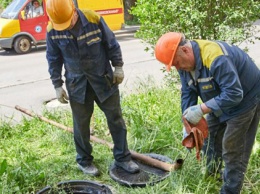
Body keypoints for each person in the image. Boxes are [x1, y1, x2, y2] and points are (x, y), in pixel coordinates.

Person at [155, 32, 260, 194]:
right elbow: (187, 92)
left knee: (233, 148)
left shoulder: (215, 57)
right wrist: (187, 122)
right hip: (222, 96)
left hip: (245, 98)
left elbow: (234, 93)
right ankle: (212, 178)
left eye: (176, 63)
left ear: (185, 50)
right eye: (174, 65)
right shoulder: (184, 64)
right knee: (208, 138)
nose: (177, 68)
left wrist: (202, 109)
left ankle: (230, 191)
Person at [45, 0, 140, 176]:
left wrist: (118, 66)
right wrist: (57, 84)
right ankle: (84, 161)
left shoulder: (93, 19)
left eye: (69, 21)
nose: (66, 26)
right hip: (77, 84)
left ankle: (123, 158)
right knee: (80, 125)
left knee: (115, 119)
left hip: (103, 79)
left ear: (74, 11)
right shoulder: (53, 29)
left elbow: (111, 43)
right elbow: (53, 58)